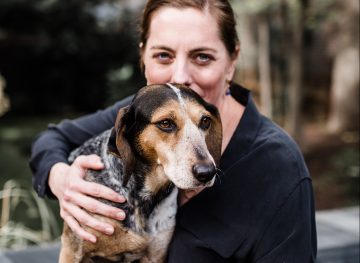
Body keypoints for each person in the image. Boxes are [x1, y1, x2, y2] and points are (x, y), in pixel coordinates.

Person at [30, 0, 317, 262]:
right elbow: (53, 138)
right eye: (164, 56)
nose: (180, 77)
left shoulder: (280, 168)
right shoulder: (142, 113)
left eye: (202, 57)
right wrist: (61, 178)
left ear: (231, 62)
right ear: (144, 57)